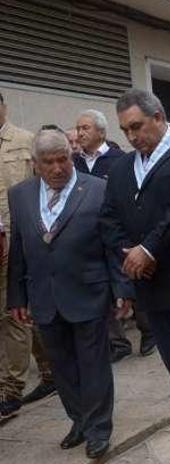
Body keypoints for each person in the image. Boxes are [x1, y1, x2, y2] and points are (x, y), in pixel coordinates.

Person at [6, 128, 134, 459]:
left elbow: (112, 245)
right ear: (36, 164)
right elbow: (19, 246)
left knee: (93, 365)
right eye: (48, 162)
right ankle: (78, 420)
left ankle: (98, 429)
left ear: (71, 156)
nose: (57, 168)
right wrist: (17, 297)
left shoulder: (96, 190)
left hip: (89, 292)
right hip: (44, 297)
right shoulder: (20, 195)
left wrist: (122, 289)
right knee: (61, 367)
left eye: (62, 159)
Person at [99, 88, 170, 464]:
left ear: (158, 117)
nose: (132, 136)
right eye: (125, 130)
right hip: (150, 286)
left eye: (137, 127)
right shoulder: (124, 168)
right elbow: (108, 217)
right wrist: (130, 255)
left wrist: (149, 248)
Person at [75, 109, 155, 363]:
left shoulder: (121, 160)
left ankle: (148, 330)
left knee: (131, 278)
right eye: (78, 129)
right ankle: (117, 341)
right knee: (104, 288)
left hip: (120, 234)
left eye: (85, 128)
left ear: (101, 131)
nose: (80, 133)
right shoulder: (73, 163)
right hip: (90, 235)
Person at [0, 91, 56, 418]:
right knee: (20, 312)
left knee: (13, 312)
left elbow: (45, 190)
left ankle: (11, 389)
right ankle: (50, 372)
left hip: (20, 239)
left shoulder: (26, 142)